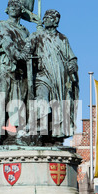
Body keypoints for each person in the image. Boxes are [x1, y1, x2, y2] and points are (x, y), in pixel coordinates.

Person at [23, 9, 79, 143]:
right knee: (42, 98)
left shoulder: (63, 39)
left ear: (55, 21)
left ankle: (54, 135)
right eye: (45, 17)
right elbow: (26, 49)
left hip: (60, 79)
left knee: (58, 106)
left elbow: (72, 58)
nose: (45, 19)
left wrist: (72, 65)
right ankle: (39, 130)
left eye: (48, 18)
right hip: (42, 75)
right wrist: (25, 52)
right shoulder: (37, 36)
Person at [0, 0, 30, 151]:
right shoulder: (3, 25)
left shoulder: (25, 31)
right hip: (6, 68)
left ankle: (20, 134)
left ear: (21, 10)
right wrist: (19, 55)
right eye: (11, 6)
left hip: (21, 71)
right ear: (7, 10)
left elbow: (29, 47)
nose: (14, 8)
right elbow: (6, 42)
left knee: (20, 102)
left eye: (17, 6)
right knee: (1, 102)